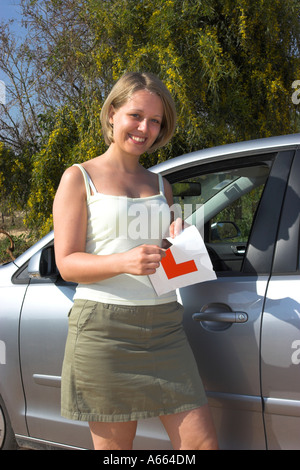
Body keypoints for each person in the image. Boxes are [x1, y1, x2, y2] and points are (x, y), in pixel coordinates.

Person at [53, 72, 218, 450]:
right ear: (112, 113)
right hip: (103, 330)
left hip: (165, 327)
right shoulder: (79, 178)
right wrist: (122, 261)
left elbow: (163, 260)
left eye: (155, 121)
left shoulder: (161, 185)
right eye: (136, 116)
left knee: (202, 444)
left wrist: (177, 239)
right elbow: (67, 263)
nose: (145, 128)